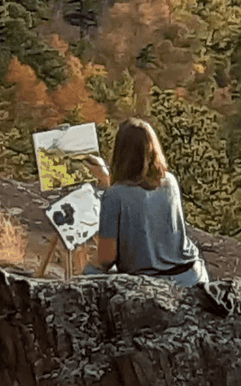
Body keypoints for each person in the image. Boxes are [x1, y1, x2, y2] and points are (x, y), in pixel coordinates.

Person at [83, 118, 209, 287]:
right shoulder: (169, 181)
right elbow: (138, 196)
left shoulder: (114, 196)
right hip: (192, 275)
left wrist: (85, 262)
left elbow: (106, 259)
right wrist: (108, 181)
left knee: (88, 275)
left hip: (154, 283)